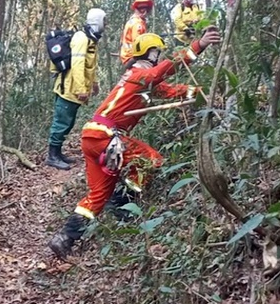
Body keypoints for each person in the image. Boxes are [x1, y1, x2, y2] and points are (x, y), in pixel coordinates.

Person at [48, 29, 221, 258]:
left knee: (98, 195)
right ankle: (122, 204)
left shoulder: (141, 80)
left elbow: (170, 91)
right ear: (149, 55)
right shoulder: (140, 75)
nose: (159, 57)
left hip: (92, 137)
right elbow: (166, 69)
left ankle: (65, 237)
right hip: (106, 136)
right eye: (157, 53)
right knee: (152, 160)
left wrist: (203, 92)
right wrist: (199, 45)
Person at [46, 8, 107, 170]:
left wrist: (94, 83)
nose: (105, 24)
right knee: (61, 122)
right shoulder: (82, 38)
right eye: (104, 21)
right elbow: (77, 65)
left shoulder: (91, 39)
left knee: (68, 122)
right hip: (68, 89)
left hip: (74, 90)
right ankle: (52, 156)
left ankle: (58, 153)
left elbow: (90, 66)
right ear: (97, 21)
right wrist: (81, 89)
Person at [119, 0, 154, 65]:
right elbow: (138, 44)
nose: (144, 12)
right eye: (142, 9)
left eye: (146, 9)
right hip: (132, 58)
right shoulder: (137, 23)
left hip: (128, 57)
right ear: (136, 9)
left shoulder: (132, 21)